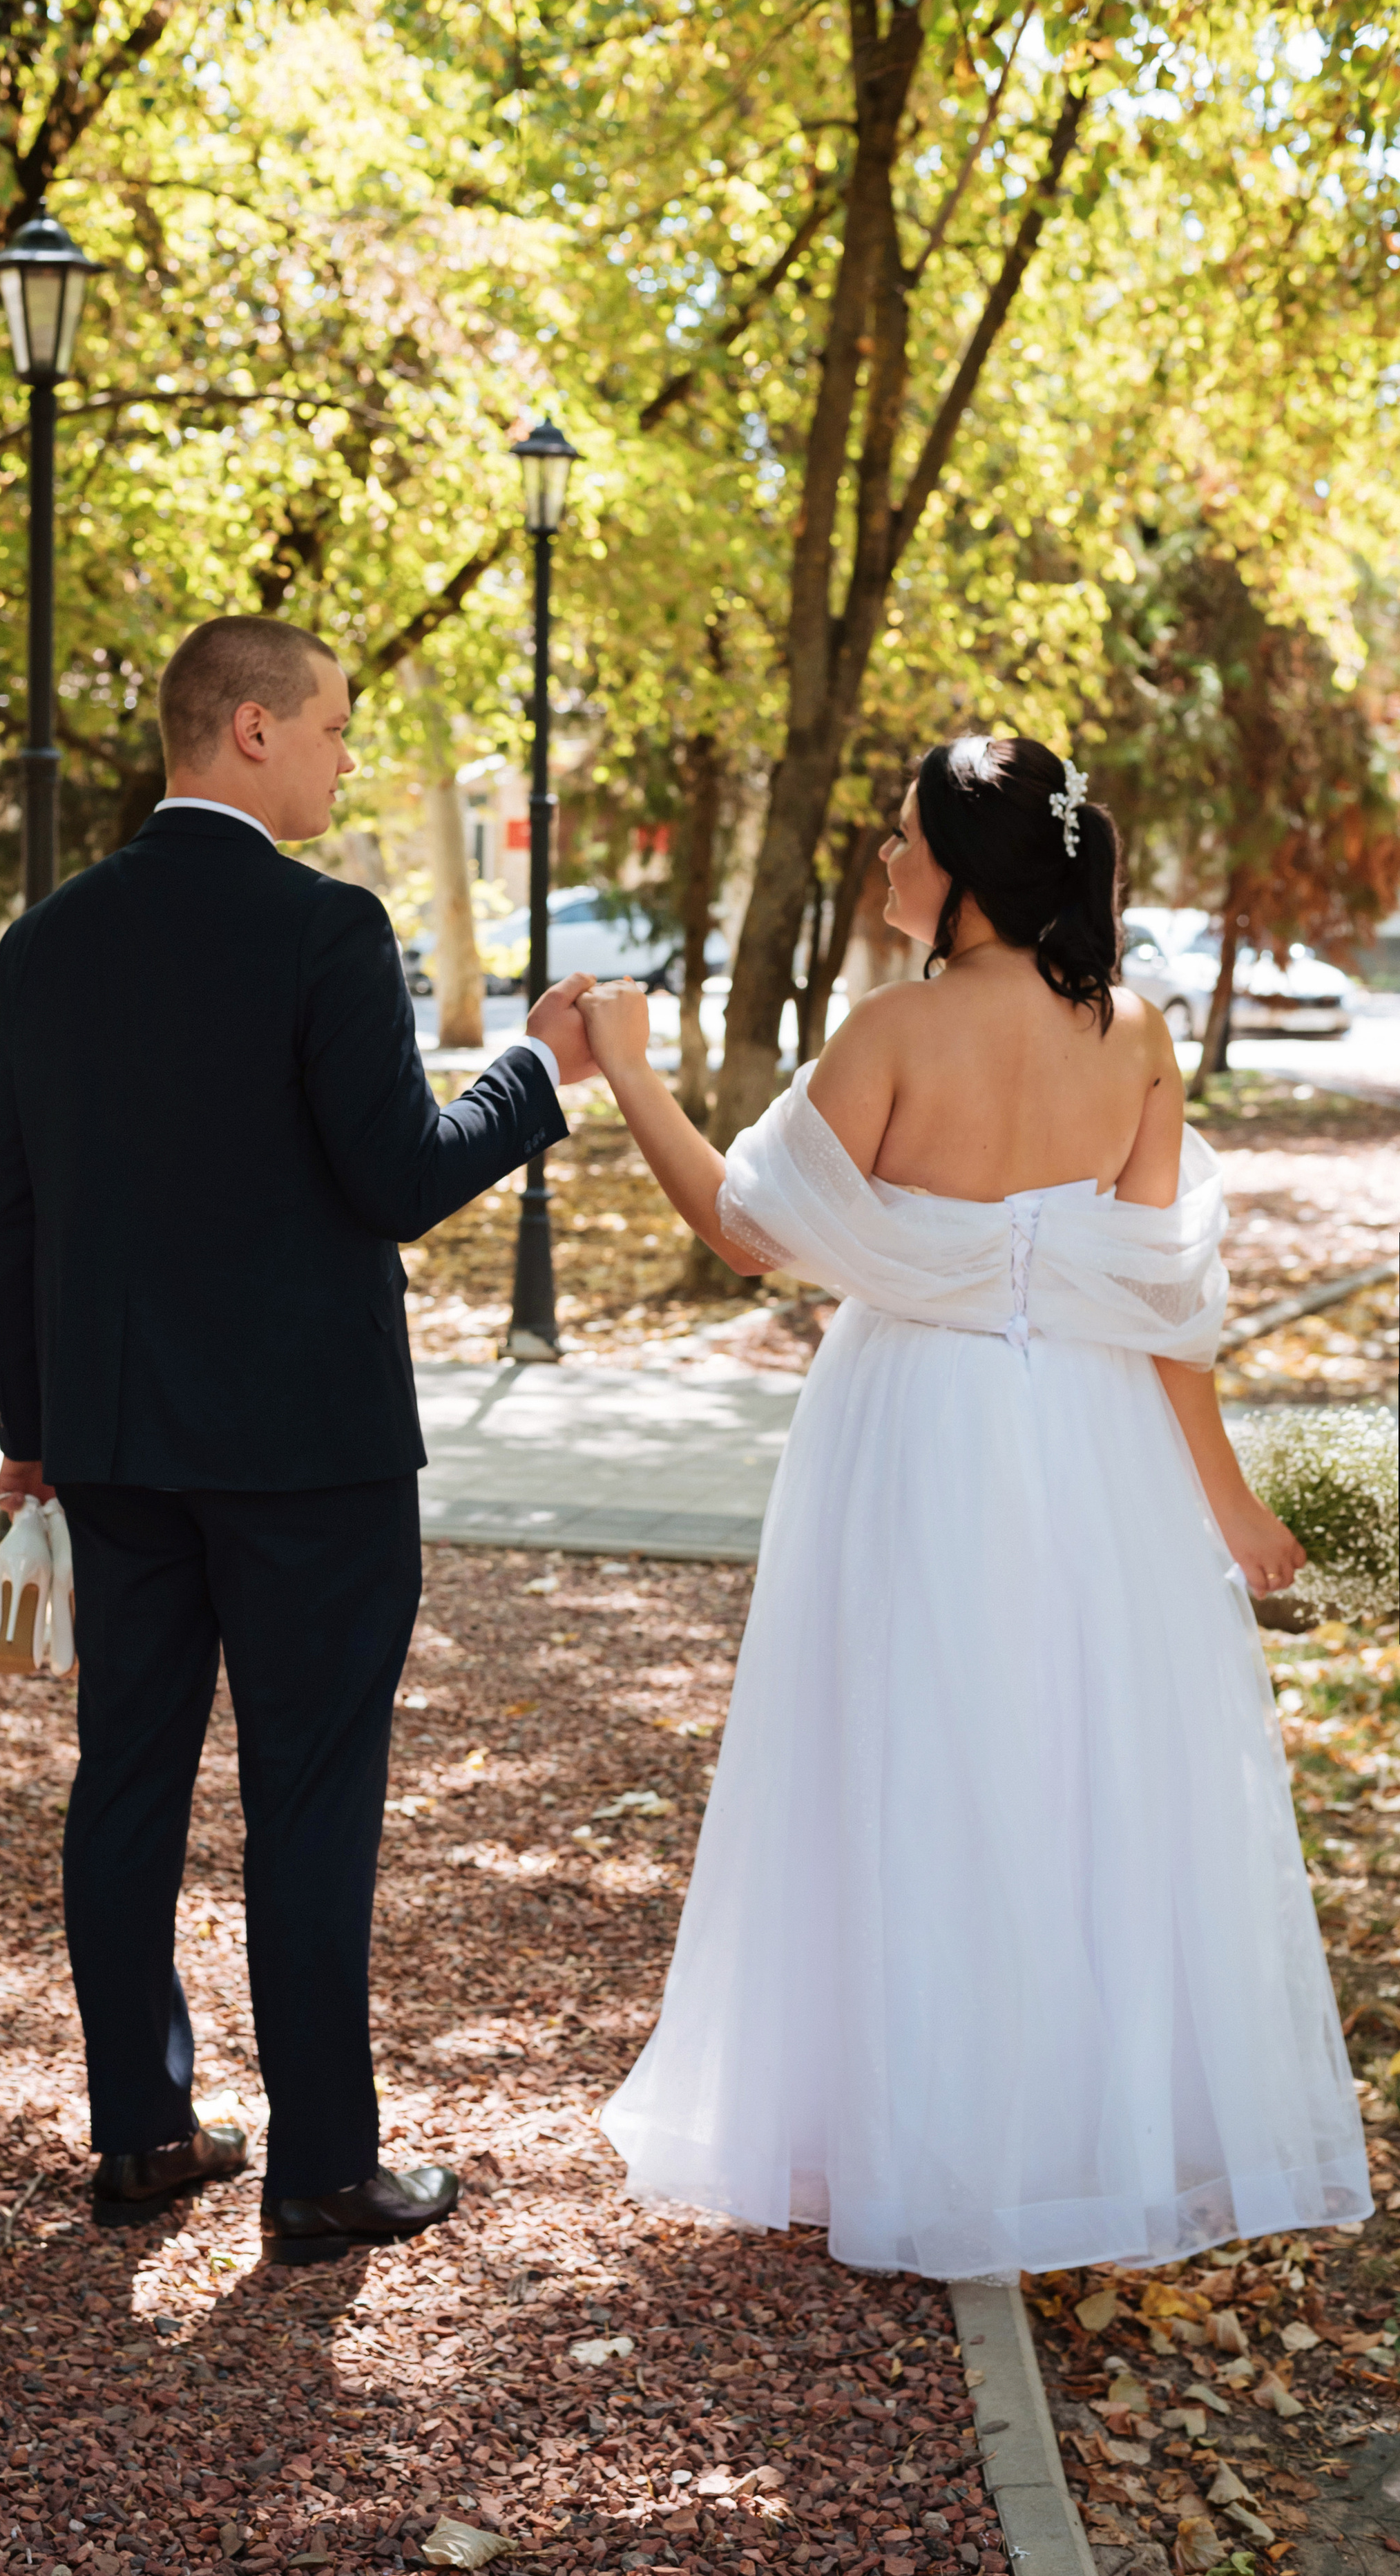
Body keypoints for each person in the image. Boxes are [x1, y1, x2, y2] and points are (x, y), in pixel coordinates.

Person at [579, 735, 1370, 2278]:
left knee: (898, 1748)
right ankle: (1067, 2136)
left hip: (913, 1424)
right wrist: (1225, 1506)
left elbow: (745, 1232)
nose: (885, 862)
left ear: (965, 872)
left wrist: (626, 1067)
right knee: (1074, 1758)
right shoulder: (1131, 1033)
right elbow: (1164, 1302)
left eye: (903, 841)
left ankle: (900, 2130)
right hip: (1091, 1434)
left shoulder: (893, 1030)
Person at [0, 613, 597, 2251]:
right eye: (330, 724)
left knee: (126, 1782)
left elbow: (12, 1213)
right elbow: (398, 1178)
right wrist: (537, 1069)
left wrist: (29, 1436)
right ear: (249, 729)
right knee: (309, 1800)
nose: (344, 753)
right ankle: (322, 2169)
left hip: (114, 1445)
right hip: (311, 1455)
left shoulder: (45, 943)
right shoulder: (326, 927)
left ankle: (139, 2134)